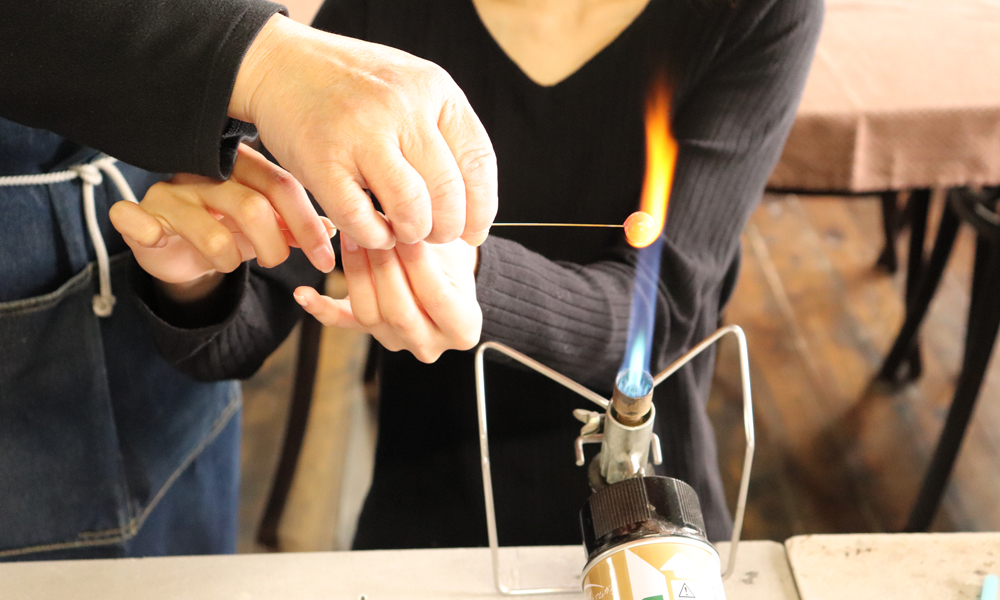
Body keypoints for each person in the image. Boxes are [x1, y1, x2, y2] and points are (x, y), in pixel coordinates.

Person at [117, 0, 824, 548]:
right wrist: (193, 277)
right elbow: (246, 323)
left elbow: (664, 311)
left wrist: (477, 279)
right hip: (434, 492)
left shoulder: (751, 13)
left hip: (650, 506)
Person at [0, 0, 498, 559]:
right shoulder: (380, 20)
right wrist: (258, 59)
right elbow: (245, 322)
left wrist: (488, 277)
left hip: (175, 435)